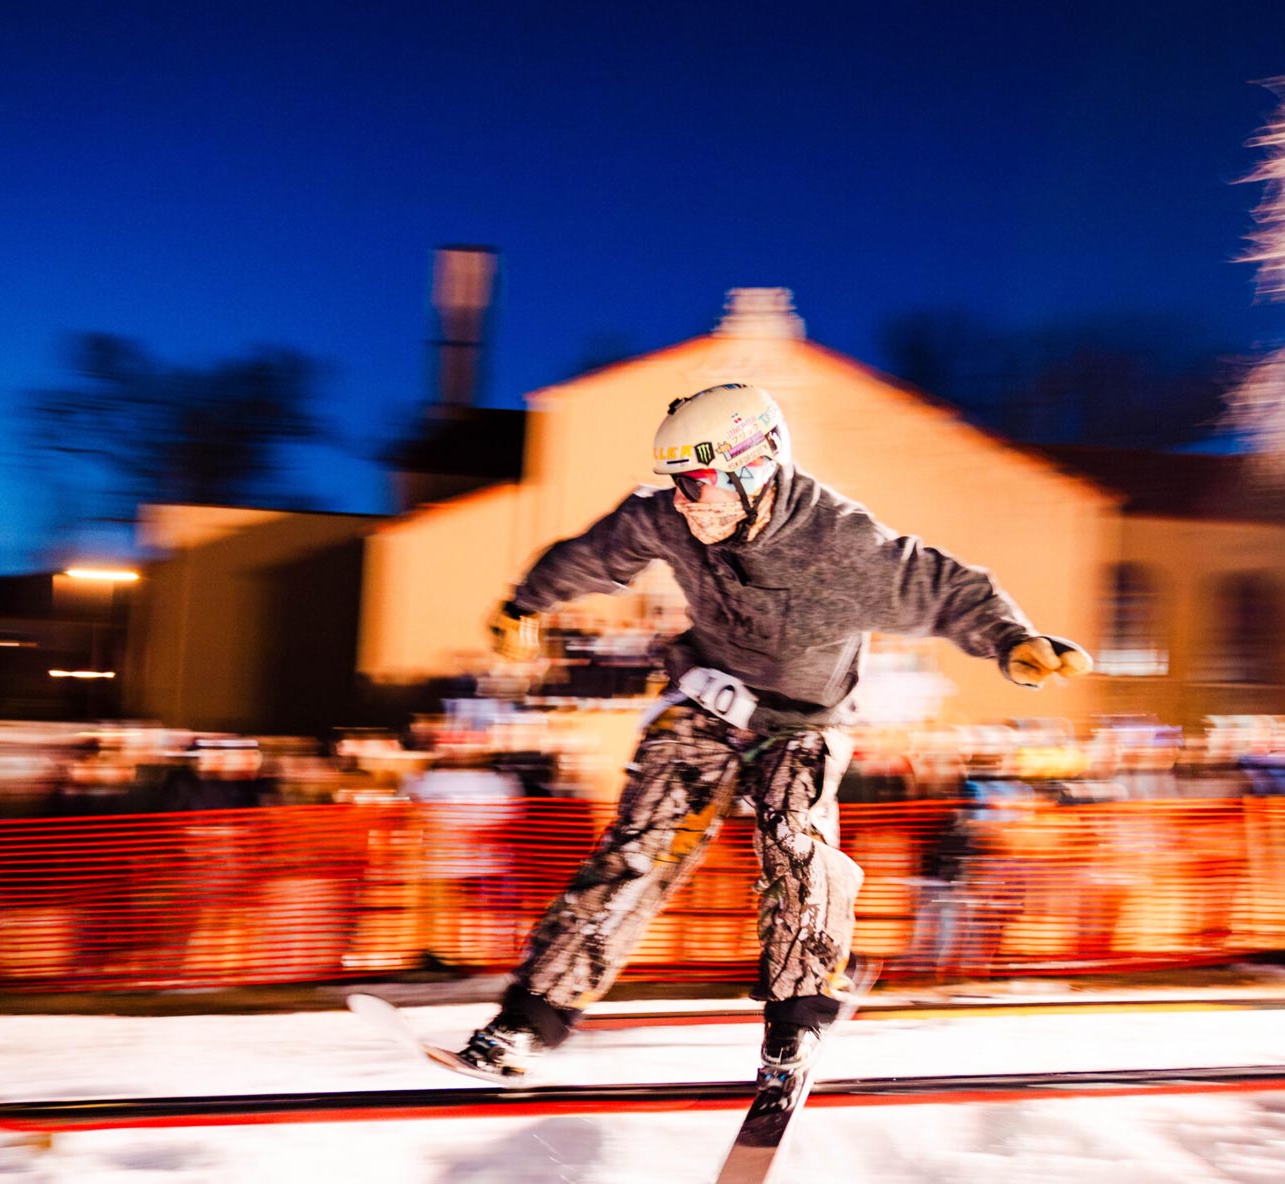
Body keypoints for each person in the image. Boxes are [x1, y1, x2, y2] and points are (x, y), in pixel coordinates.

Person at [458, 384, 1091, 1097]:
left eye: (698, 484)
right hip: (708, 700)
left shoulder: (841, 543)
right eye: (677, 485)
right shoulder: (667, 518)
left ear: (754, 464)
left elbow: (945, 586)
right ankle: (529, 1018)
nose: (686, 503)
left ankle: (798, 1018)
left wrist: (1013, 640)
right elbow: (598, 552)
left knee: (794, 844)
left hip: (803, 724)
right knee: (640, 846)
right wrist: (526, 603)